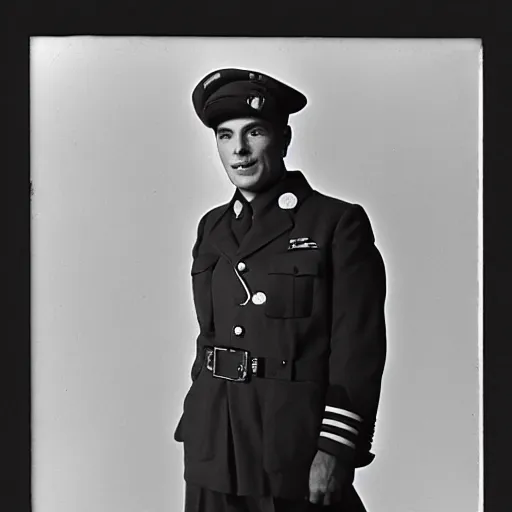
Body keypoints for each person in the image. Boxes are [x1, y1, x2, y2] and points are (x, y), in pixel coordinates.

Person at [174, 68, 387, 512]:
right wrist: (195, 424)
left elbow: (358, 349)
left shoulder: (335, 224)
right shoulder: (211, 228)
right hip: (214, 445)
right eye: (224, 135)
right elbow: (209, 338)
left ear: (284, 139)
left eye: (254, 132)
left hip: (292, 448)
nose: (239, 150)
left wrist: (336, 449)